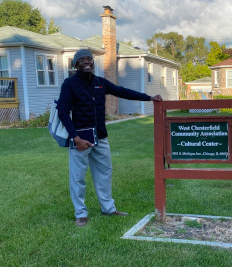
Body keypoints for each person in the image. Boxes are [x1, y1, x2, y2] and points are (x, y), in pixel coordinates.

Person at [58, 49, 162, 227]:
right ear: (75, 64)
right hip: (80, 140)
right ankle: (81, 214)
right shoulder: (69, 84)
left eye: (88, 59)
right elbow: (62, 112)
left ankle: (108, 208)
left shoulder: (100, 83)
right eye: (81, 60)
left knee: (105, 173)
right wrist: (75, 138)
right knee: (77, 178)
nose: (86, 62)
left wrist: (149, 97)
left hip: (101, 137)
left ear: (93, 62)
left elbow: (122, 91)